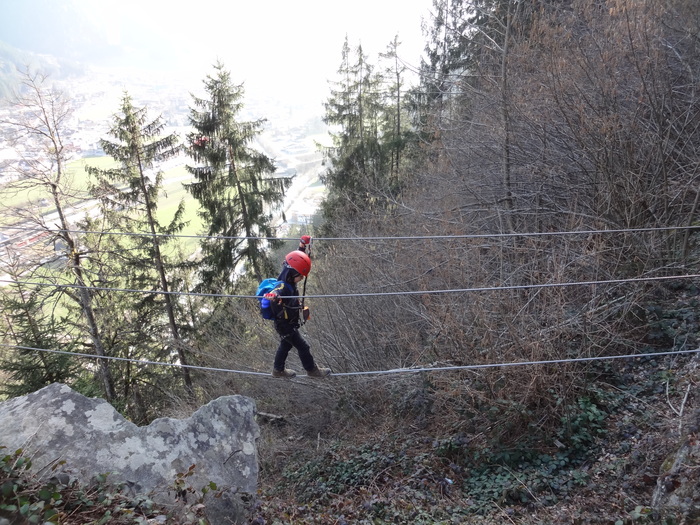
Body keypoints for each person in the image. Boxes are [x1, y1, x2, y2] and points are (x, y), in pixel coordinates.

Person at [264, 235, 331, 379]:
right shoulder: (282, 286)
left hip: (288, 323)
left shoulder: (288, 275)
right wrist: (274, 296)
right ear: (292, 274)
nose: (301, 278)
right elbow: (276, 291)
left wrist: (302, 246)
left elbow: (295, 260)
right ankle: (312, 370)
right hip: (285, 325)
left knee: (286, 345)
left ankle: (278, 370)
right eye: (300, 276)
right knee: (303, 347)